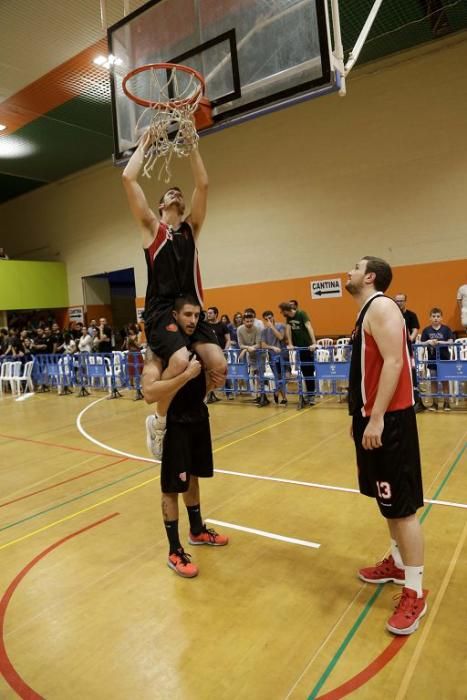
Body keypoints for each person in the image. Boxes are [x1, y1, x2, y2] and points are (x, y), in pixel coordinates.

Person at [122, 130, 226, 459]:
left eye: (179, 192)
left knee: (219, 367)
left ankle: (182, 396)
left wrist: (192, 146)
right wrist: (146, 143)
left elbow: (204, 184)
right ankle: (160, 421)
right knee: (181, 360)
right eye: (170, 192)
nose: (176, 194)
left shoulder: (191, 229)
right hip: (161, 311)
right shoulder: (153, 229)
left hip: (191, 308)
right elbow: (128, 177)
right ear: (161, 205)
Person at [346, 256, 426, 636]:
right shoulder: (366, 312)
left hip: (391, 421)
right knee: (387, 499)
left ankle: (415, 590)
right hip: (371, 417)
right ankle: (396, 563)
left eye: (355, 267)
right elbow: (368, 370)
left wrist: (377, 417)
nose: (349, 272)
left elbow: (395, 361)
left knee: (404, 507)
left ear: (370, 276)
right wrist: (359, 416)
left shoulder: (381, 306)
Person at [141, 296, 228, 578]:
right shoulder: (159, 351)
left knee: (193, 476)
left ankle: (197, 530)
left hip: (197, 417)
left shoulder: (200, 347)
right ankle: (174, 550)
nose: (192, 320)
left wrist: (211, 384)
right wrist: (186, 376)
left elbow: (201, 383)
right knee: (171, 487)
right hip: (174, 424)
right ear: (174, 316)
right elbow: (149, 393)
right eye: (187, 314)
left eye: (196, 315)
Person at [279, 301, 317, 406]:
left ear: (286, 310)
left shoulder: (301, 314)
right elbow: (288, 330)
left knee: (309, 371)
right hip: (298, 348)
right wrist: (290, 343)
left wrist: (314, 343)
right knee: (303, 372)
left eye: (282, 311)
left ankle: (311, 395)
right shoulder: (288, 318)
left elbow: (309, 326)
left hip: (307, 346)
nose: (282, 313)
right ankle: (305, 395)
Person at [394, 293, 425, 412]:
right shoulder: (392, 315)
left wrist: (410, 339)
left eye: (401, 300)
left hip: (408, 350)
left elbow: (415, 329)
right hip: (395, 350)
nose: (399, 303)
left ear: (405, 301)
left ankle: (417, 401)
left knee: (412, 374)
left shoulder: (411, 315)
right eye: (397, 301)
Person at [420, 308, 454, 411]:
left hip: (444, 359)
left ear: (441, 317)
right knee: (433, 381)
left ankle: (447, 403)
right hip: (432, 359)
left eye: (438, 316)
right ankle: (434, 403)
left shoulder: (446, 329)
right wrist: (429, 342)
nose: (436, 318)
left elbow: (451, 341)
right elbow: (422, 343)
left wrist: (440, 342)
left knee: (445, 381)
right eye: (434, 316)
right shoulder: (426, 330)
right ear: (430, 318)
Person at [238, 312, 268, 405]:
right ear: (243, 321)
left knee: (260, 375)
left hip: (260, 354)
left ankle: (262, 396)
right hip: (251, 355)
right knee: (254, 375)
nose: (249, 323)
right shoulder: (239, 329)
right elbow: (240, 344)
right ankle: (258, 396)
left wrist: (247, 349)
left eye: (251, 321)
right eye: (247, 321)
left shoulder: (257, 329)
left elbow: (259, 344)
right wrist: (247, 348)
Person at [261, 310, 287, 405]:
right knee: (278, 377)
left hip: (283, 355)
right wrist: (272, 347)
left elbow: (280, 337)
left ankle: (276, 391)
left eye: (270, 317)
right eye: (266, 319)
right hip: (272, 356)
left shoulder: (280, 326)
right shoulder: (264, 331)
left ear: (273, 317)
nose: (269, 320)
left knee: (286, 376)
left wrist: (272, 326)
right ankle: (284, 398)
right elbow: (263, 345)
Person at [206, 306, 231, 403]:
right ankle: (210, 395)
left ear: (216, 314)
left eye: (211, 313)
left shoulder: (223, 325)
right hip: (210, 354)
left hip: (221, 353)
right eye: (208, 313)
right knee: (209, 374)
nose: (208, 315)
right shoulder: (206, 326)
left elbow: (228, 340)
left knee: (224, 373)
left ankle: (229, 394)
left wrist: (225, 349)